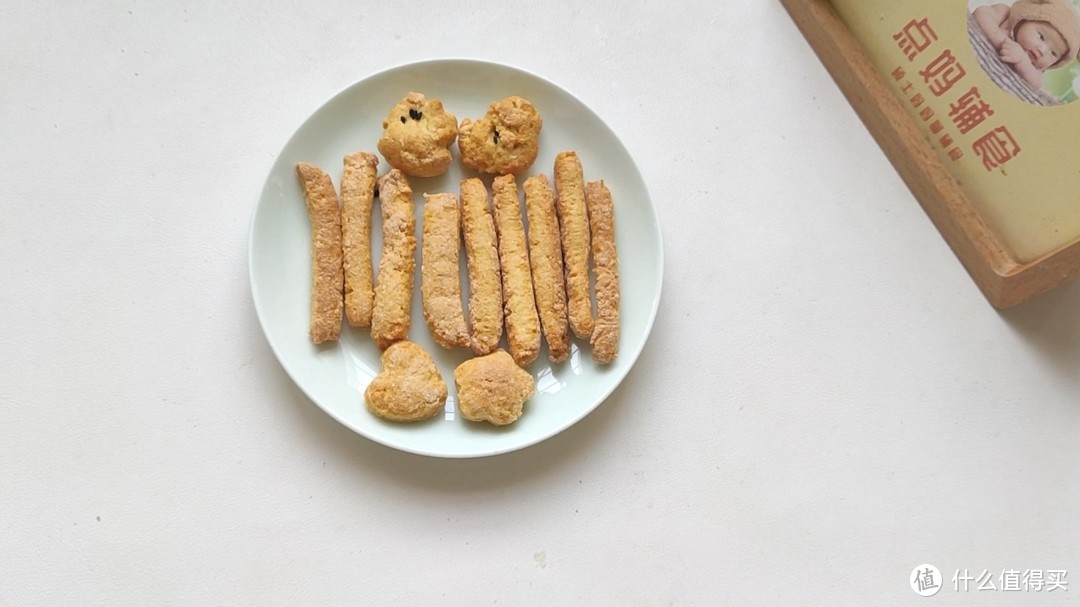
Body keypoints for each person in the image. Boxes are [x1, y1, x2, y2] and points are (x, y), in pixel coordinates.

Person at [974, 0, 1080, 90]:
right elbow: (981, 13)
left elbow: (1037, 84)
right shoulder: (1006, 15)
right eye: (1041, 37)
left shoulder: (1034, 68)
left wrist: (1022, 62)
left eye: (1053, 53)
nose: (1042, 50)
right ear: (1025, 18)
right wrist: (999, 39)